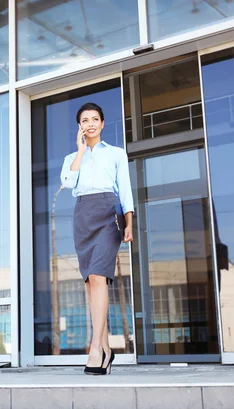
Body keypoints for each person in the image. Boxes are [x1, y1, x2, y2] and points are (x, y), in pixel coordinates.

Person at [60, 102, 134, 375]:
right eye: (84, 120)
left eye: (94, 119)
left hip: (107, 214)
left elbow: (124, 188)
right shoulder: (71, 157)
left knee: (99, 276)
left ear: (102, 124)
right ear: (80, 126)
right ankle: (106, 349)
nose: (90, 123)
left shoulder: (116, 154)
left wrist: (129, 222)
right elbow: (68, 182)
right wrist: (80, 152)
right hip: (83, 215)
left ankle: (95, 348)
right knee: (91, 282)